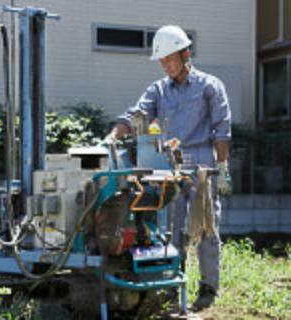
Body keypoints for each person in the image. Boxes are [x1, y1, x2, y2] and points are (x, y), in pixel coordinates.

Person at [106, 25, 232, 311]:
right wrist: (113, 136)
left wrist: (223, 170)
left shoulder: (210, 86)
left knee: (206, 226)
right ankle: (173, 286)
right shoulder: (159, 90)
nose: (165, 66)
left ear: (186, 54)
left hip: (202, 164)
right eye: (161, 61)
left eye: (169, 60)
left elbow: (222, 131)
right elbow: (135, 115)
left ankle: (208, 288)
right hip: (170, 165)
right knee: (171, 230)